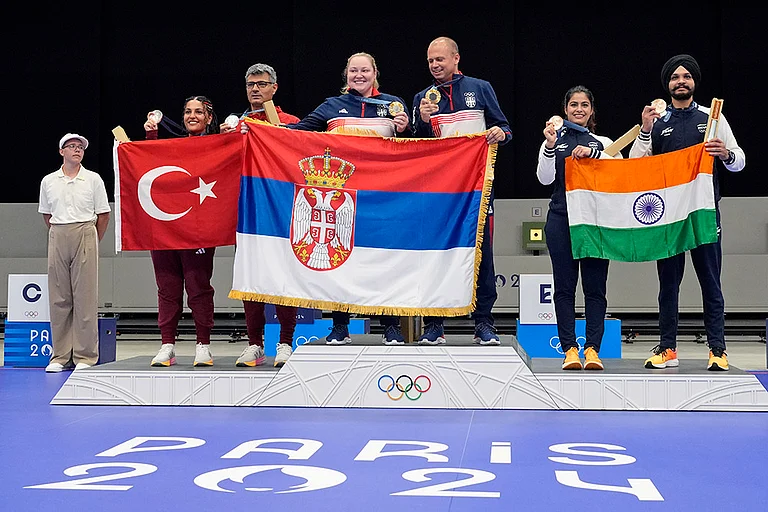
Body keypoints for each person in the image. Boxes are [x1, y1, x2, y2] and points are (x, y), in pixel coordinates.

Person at [285, 51, 411, 346]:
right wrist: (262, 130)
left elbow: (413, 148)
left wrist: (408, 128)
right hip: (344, 201)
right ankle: (340, 325)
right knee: (340, 260)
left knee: (383, 262)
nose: (359, 75)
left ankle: (390, 326)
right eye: (353, 71)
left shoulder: (393, 105)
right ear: (346, 75)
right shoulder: (332, 106)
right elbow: (299, 132)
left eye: (364, 70)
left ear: (375, 72)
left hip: (383, 199)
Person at [629, 54, 746, 371]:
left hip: (704, 215)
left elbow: (740, 159)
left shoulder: (713, 118)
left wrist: (725, 154)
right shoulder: (659, 123)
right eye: (675, 77)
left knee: (711, 282)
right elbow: (637, 163)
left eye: (686, 77)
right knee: (668, 285)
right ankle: (667, 347)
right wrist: (644, 129)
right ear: (667, 85)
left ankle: (718, 350)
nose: (681, 81)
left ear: (694, 82)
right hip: (668, 218)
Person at [412, 36, 511, 346]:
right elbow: (419, 145)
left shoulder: (480, 88)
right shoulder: (422, 98)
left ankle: (484, 323)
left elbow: (505, 128)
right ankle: (434, 324)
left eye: (440, 59)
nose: (435, 65)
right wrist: (424, 120)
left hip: (477, 191)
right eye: (430, 60)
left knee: (482, 257)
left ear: (456, 58)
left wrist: (498, 133)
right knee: (434, 256)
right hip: (438, 193)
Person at [536, 86, 621, 370]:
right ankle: (570, 349)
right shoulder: (553, 139)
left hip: (595, 223)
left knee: (595, 289)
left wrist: (596, 154)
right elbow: (544, 179)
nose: (579, 109)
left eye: (584, 105)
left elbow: (619, 169)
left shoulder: (603, 141)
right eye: (574, 104)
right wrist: (549, 147)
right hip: (561, 220)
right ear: (565, 109)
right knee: (564, 288)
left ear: (592, 110)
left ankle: (593, 350)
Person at [221, 63, 299, 368]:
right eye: (250, 84)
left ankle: (286, 342)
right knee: (250, 277)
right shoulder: (235, 126)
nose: (255, 89)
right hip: (247, 214)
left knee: (283, 278)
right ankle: (254, 344)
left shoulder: (291, 122)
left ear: (274, 88)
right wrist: (226, 138)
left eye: (262, 84)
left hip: (280, 212)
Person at [144, 96, 219, 368]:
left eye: (199, 112)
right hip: (165, 229)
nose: (192, 116)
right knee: (167, 289)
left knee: (198, 288)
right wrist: (151, 135)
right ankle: (167, 345)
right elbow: (148, 165)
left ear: (209, 118)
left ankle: (203, 345)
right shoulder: (171, 146)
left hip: (199, 231)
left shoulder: (217, 146)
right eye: (188, 111)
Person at [39, 133, 111, 373]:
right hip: (58, 233)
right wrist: (61, 232)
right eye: (71, 146)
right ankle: (60, 355)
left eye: (80, 147)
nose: (77, 150)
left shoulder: (92, 179)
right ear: (62, 152)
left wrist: (92, 239)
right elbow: (47, 215)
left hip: (85, 231)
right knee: (59, 296)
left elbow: (103, 214)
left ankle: (85, 355)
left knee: (85, 296)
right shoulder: (49, 181)